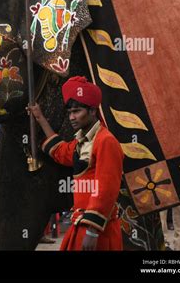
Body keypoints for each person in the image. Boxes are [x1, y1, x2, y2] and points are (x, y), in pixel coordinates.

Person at [29, 76, 124, 251]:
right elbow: (60, 151)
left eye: (77, 111)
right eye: (70, 112)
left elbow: (106, 189)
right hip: (81, 225)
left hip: (98, 231)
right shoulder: (81, 142)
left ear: (93, 111)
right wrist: (40, 118)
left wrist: (93, 232)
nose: (72, 117)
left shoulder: (106, 141)